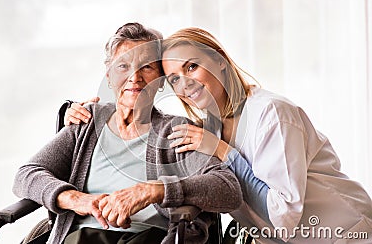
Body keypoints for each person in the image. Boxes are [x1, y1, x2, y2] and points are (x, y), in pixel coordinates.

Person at [69, 27, 372, 243]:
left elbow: (284, 217)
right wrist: (74, 112)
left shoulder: (271, 113)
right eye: (174, 78)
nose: (184, 83)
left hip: (342, 232)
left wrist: (223, 151)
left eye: (192, 67)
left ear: (220, 61)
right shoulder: (206, 126)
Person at [12, 23, 242, 244]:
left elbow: (228, 189)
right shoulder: (86, 121)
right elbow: (27, 175)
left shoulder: (176, 131)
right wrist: (75, 199)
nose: (135, 77)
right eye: (123, 66)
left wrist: (153, 190)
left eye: (147, 67)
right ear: (109, 75)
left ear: (161, 81)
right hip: (80, 237)